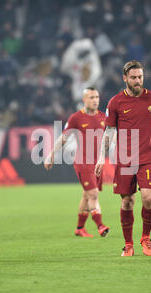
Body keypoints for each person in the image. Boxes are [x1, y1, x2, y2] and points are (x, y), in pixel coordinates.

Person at [95, 60, 151, 256]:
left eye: (140, 77)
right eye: (134, 77)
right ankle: (128, 244)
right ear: (125, 78)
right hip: (125, 159)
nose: (137, 81)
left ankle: (145, 238)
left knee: (148, 198)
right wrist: (101, 157)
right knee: (127, 202)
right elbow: (109, 132)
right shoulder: (115, 102)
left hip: (147, 157)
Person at [44, 87, 110, 238]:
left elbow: (110, 136)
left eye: (97, 97)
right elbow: (64, 137)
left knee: (87, 196)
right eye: (91, 97)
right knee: (93, 194)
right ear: (84, 100)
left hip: (97, 163)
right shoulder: (76, 118)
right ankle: (100, 225)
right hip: (83, 162)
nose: (95, 100)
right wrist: (51, 154)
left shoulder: (103, 117)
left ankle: (80, 228)